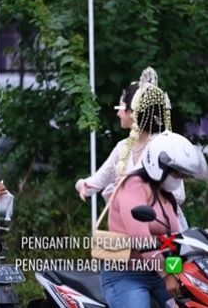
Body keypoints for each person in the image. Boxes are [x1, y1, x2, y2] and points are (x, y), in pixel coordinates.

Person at [100, 131, 208, 307]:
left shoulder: (167, 197)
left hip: (157, 274)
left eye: (183, 175)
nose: (180, 178)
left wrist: (174, 272)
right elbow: (140, 238)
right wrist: (167, 274)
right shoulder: (133, 186)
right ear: (160, 165)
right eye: (177, 173)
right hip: (126, 275)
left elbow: (173, 243)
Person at [75, 67, 188, 230]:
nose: (118, 114)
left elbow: (179, 195)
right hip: (128, 231)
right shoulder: (123, 147)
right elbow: (98, 180)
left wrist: (138, 189)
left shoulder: (163, 147)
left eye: (120, 108)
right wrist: (83, 185)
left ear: (133, 112)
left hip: (163, 230)